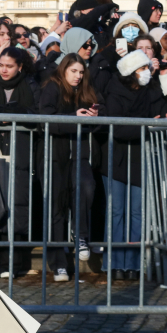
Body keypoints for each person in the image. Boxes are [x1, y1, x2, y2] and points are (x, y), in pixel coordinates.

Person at [101, 50, 167, 281]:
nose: (147, 72)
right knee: (117, 212)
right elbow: (117, 127)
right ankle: (113, 264)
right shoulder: (114, 93)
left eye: (147, 67)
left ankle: (134, 264)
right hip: (117, 159)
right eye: (142, 68)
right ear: (131, 73)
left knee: (138, 213)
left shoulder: (150, 91)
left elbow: (160, 113)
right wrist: (147, 126)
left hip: (141, 159)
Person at [0, 46, 39, 278]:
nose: (3, 70)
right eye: (1, 65)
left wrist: (10, 113)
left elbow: (36, 115)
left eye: (9, 66)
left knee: (16, 204)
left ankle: (14, 262)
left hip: (20, 152)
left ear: (20, 67)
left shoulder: (30, 85)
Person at [39, 54, 101, 282]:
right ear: (64, 70)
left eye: (81, 72)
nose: (78, 76)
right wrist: (72, 117)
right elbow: (45, 118)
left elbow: (98, 116)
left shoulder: (86, 90)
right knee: (56, 205)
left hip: (80, 153)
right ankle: (58, 264)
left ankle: (81, 235)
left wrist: (95, 116)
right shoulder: (52, 87)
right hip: (55, 153)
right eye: (73, 71)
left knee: (86, 187)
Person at [136, 34, 167, 101]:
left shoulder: (162, 70)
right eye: (139, 48)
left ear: (154, 52)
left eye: (148, 48)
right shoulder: (127, 74)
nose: (144, 51)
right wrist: (148, 73)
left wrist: (163, 76)